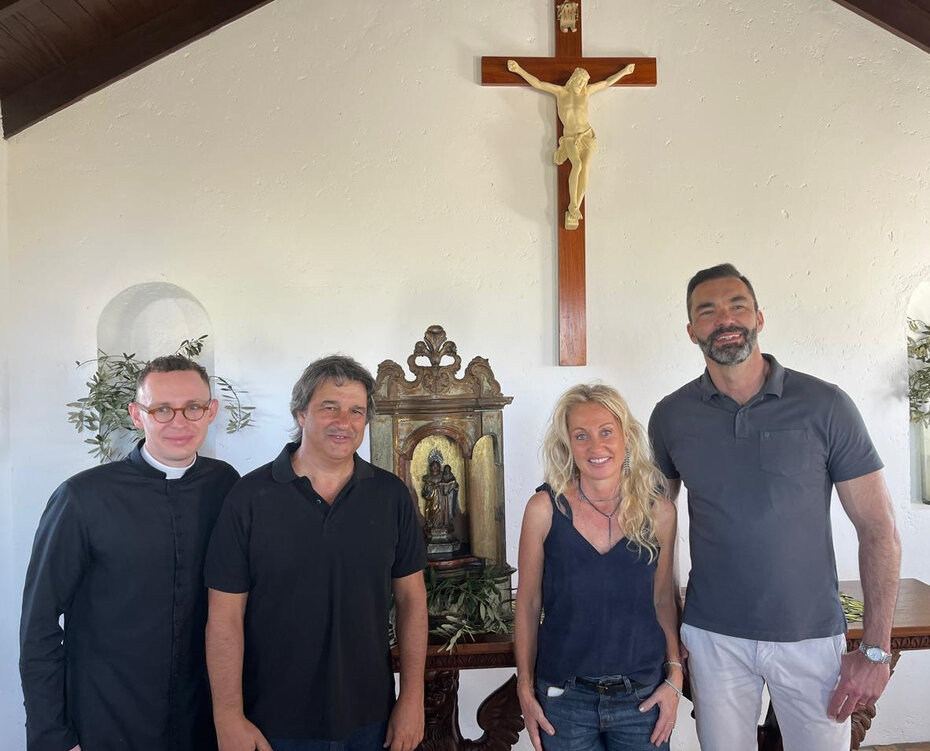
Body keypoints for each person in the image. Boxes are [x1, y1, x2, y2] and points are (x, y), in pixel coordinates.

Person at [648, 263, 902, 750]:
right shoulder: (671, 416)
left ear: (759, 318)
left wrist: (875, 649)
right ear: (691, 331)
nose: (724, 318)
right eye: (707, 311)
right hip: (713, 636)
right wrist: (668, 628)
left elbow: (878, 530)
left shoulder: (826, 406)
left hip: (810, 637)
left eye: (736, 305)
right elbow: (653, 526)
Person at [205, 355, 428, 751]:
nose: (344, 422)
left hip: (370, 719)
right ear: (301, 413)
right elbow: (224, 617)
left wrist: (412, 699)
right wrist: (228, 717)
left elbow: (412, 601)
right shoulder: (249, 498)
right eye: (330, 407)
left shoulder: (390, 495)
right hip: (271, 724)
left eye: (356, 411)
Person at [20, 354, 240, 751]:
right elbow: (39, 625)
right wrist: (53, 735)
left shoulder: (225, 484)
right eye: (161, 410)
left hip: (199, 717)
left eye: (192, 408)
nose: (179, 422)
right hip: (107, 717)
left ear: (211, 412)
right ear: (137, 415)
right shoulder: (82, 497)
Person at [515, 384, 682, 751]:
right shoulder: (543, 509)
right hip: (564, 700)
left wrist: (675, 678)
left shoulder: (659, 513)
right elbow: (527, 604)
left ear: (626, 436)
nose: (596, 446)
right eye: (581, 436)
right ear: (567, 445)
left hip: (642, 698)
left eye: (606, 431)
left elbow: (663, 602)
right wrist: (525, 689)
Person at [506, 60, 636, 229]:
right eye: (580, 80)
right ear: (574, 79)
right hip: (569, 138)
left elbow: (606, 83)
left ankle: (575, 207)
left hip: (587, 135)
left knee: (586, 167)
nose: (582, 84)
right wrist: (519, 70)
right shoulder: (561, 93)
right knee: (577, 164)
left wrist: (624, 72)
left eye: (584, 82)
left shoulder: (586, 93)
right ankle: (573, 204)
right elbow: (538, 83)